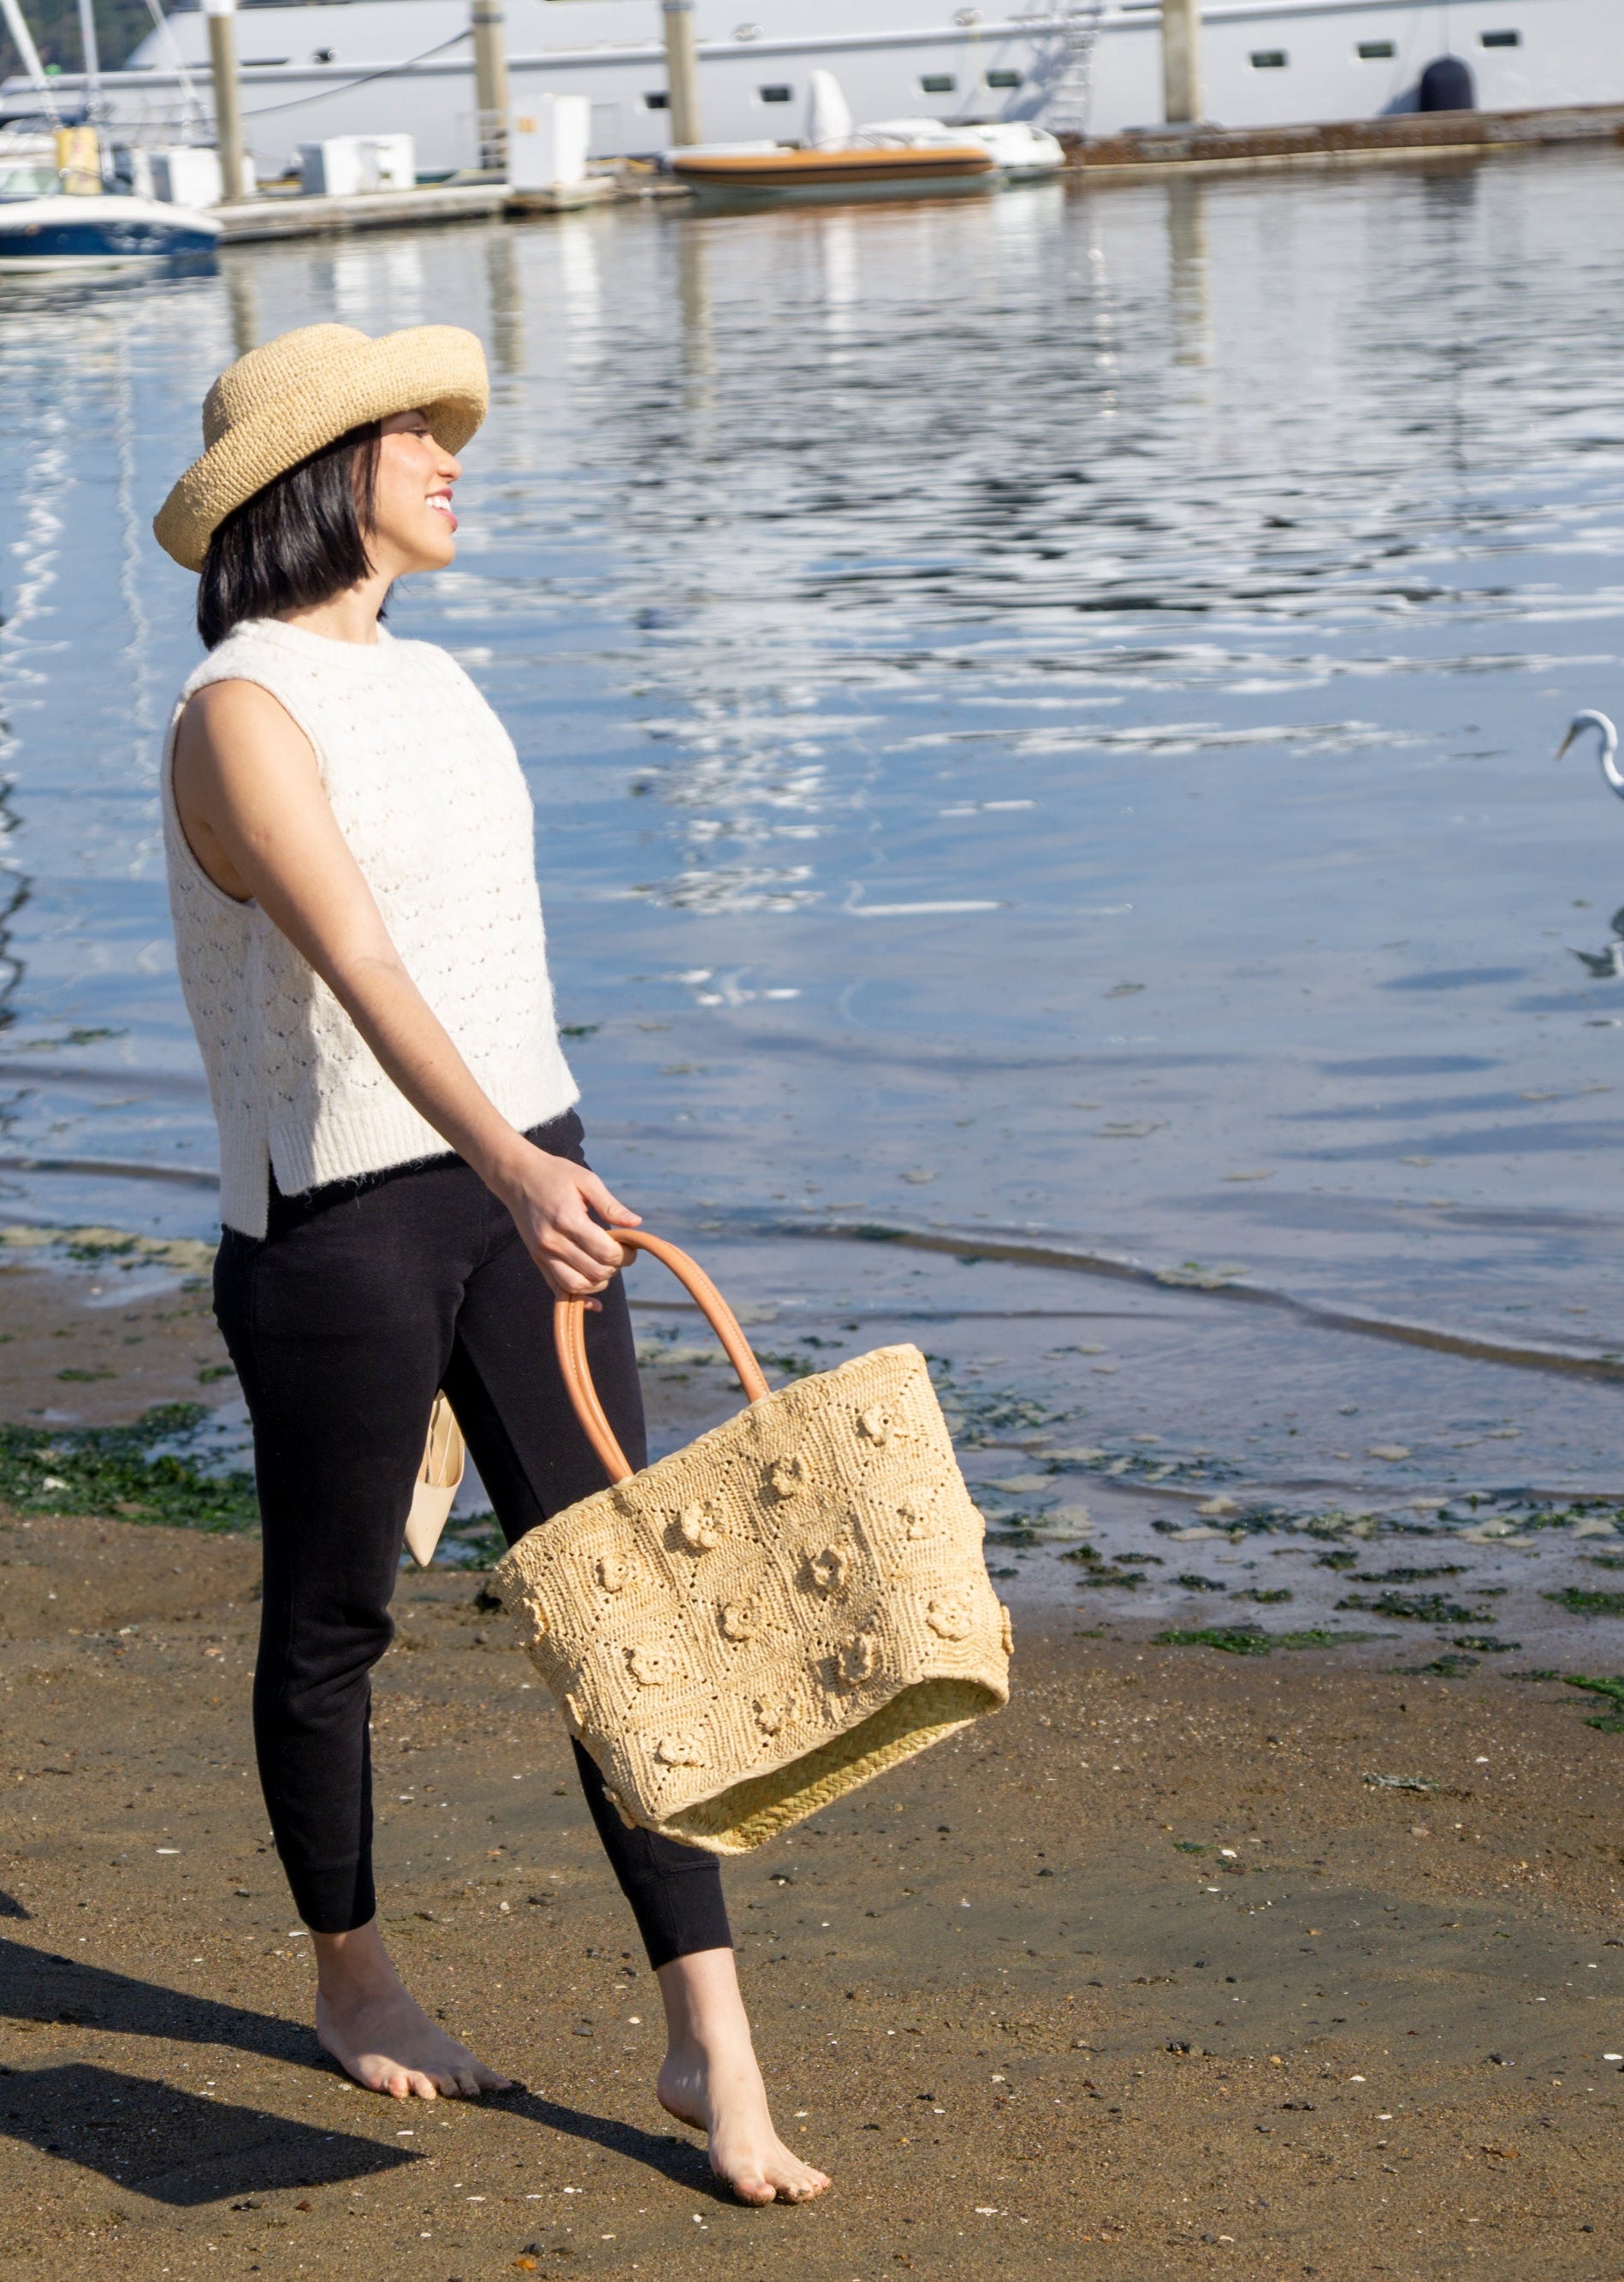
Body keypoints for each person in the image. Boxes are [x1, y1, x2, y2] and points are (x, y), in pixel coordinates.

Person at [151, 322, 829, 2207]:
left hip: (532, 1179)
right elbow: (359, 959)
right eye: (410, 432)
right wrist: (511, 1168)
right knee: (333, 1623)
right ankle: (352, 1977)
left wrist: (545, 1162)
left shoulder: (440, 682)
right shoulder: (239, 706)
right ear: (318, 474)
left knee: (628, 1605)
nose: (451, 455)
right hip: (343, 1222)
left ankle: (713, 2043)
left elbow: (481, 956)